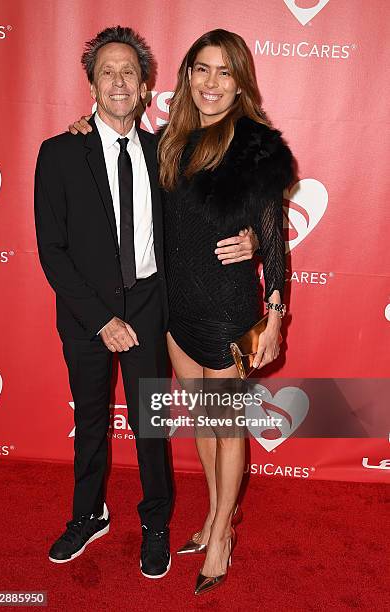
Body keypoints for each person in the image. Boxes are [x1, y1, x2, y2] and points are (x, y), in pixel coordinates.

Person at [34, 26, 256, 580]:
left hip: (154, 307)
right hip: (87, 315)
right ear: (92, 83)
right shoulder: (59, 152)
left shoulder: (168, 150)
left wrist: (253, 238)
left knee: (150, 425)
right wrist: (101, 319)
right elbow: (52, 251)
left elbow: (215, 211)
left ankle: (156, 523)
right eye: (107, 71)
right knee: (89, 420)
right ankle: (88, 515)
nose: (118, 80)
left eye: (128, 72)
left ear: (144, 86)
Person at [157, 29, 294, 595]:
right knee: (204, 424)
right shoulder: (169, 140)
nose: (211, 84)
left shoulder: (256, 146)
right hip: (178, 307)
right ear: (187, 76)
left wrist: (277, 311)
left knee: (227, 426)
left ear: (241, 83)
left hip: (227, 307)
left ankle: (220, 535)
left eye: (224, 73)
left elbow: (274, 238)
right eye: (201, 70)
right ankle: (218, 513)